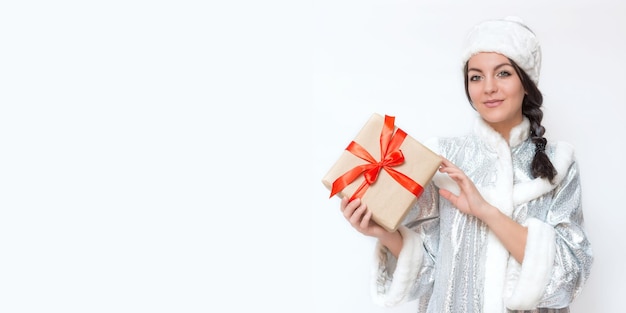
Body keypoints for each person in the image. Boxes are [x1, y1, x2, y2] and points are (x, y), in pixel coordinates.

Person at [339, 16, 593, 312]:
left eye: (503, 73)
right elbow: (426, 274)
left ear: (526, 83)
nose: (488, 88)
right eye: (476, 77)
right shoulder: (440, 160)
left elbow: (568, 279)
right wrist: (382, 232)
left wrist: (486, 212)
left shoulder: (558, 164)